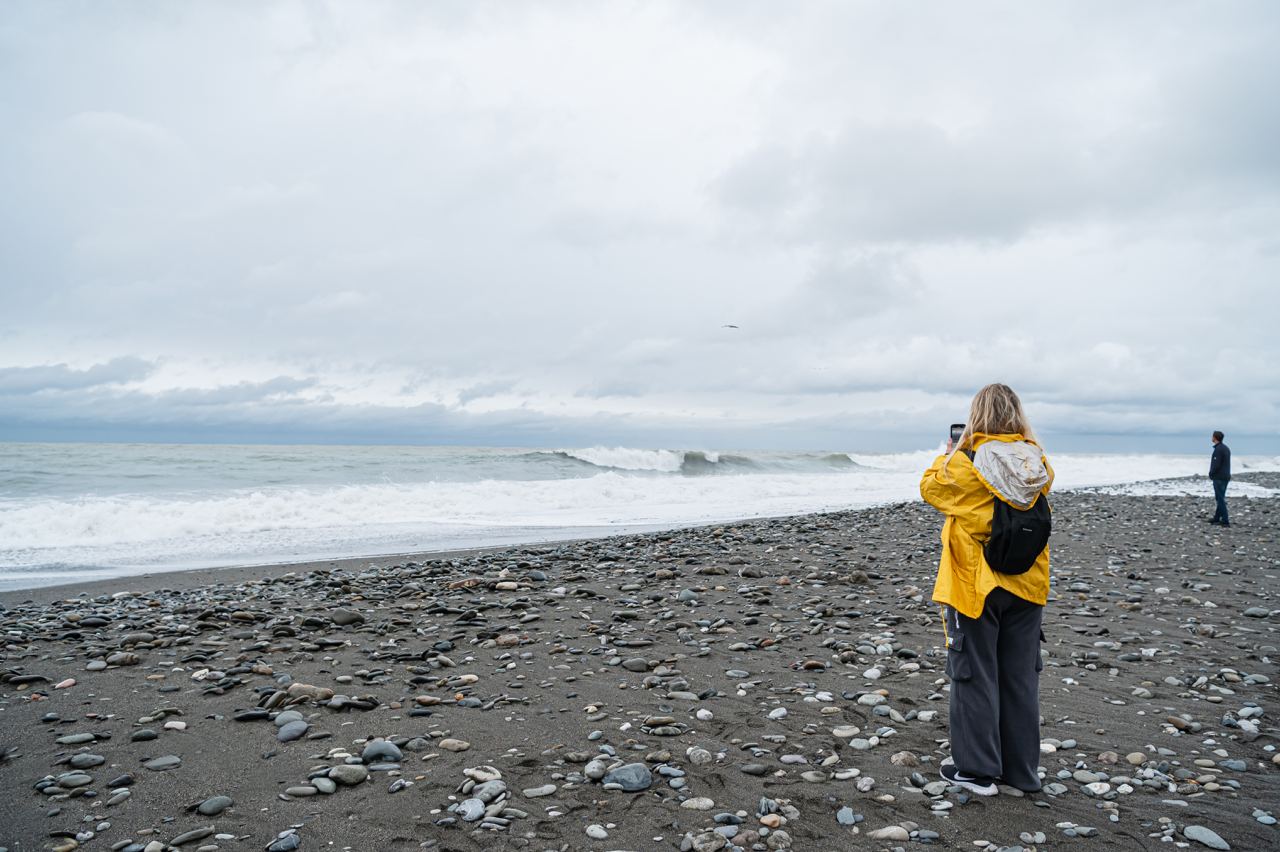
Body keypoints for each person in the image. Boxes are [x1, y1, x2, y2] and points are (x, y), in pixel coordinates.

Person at [920, 383, 1053, 796]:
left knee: (974, 674)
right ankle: (1021, 772)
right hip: (1028, 582)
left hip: (975, 583)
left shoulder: (968, 459)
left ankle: (977, 771)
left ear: (976, 415)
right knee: (1018, 678)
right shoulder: (1036, 459)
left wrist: (952, 450)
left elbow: (930, 488)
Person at [1209, 430, 1231, 527]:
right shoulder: (1226, 448)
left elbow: (1216, 464)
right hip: (1225, 476)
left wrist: (1211, 473)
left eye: (1212, 436)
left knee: (1220, 498)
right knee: (1220, 497)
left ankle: (1225, 520)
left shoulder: (1218, 449)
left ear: (1215, 437)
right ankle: (1217, 518)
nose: (1211, 438)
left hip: (1219, 477)